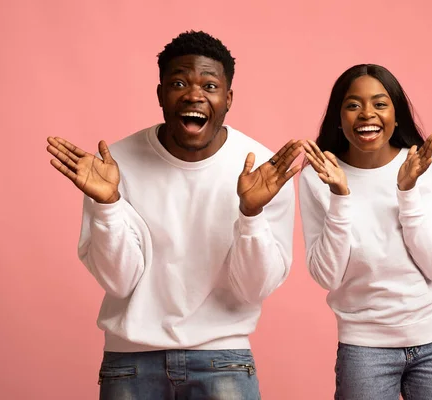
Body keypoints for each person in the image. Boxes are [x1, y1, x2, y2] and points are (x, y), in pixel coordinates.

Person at [46, 30, 302, 400]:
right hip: (130, 361)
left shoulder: (264, 171)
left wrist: (251, 213)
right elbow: (119, 282)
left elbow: (253, 288)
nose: (194, 94)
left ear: (228, 98)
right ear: (160, 94)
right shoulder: (113, 167)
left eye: (210, 85)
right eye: (179, 82)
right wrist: (108, 204)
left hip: (224, 357)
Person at [299, 64, 432, 400]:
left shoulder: (423, 169)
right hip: (364, 348)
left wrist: (406, 192)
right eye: (353, 105)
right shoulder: (319, 178)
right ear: (339, 117)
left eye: (380, 103)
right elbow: (328, 277)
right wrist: (340, 197)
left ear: (396, 114)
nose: (367, 114)